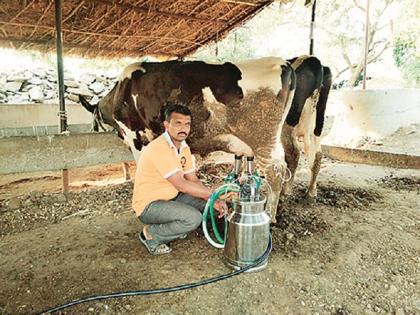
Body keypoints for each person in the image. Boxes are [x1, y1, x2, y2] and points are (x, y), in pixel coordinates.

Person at [132, 102, 229, 255]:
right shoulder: (159, 148)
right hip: (150, 205)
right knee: (193, 218)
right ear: (166, 125)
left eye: (187, 124)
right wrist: (213, 194)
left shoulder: (183, 147)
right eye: (178, 123)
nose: (183, 128)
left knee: (211, 207)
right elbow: (182, 185)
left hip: (172, 198)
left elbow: (193, 180)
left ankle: (175, 224)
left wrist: (213, 200)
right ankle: (151, 234)